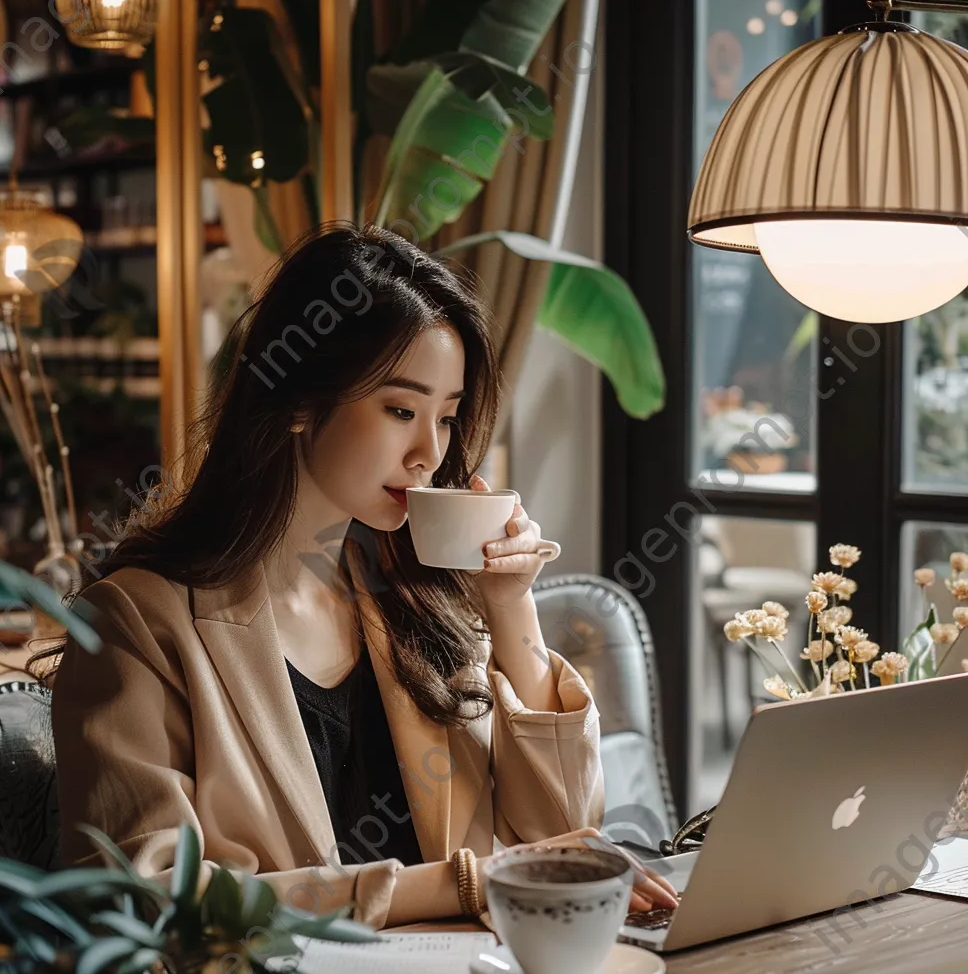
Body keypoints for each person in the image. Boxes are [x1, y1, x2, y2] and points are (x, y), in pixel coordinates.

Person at [46, 222, 678, 929]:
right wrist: (457, 885)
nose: (428, 453)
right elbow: (139, 900)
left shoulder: (416, 603)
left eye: (447, 415)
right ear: (297, 402)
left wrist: (511, 610)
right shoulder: (138, 623)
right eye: (401, 410)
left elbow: (556, 832)